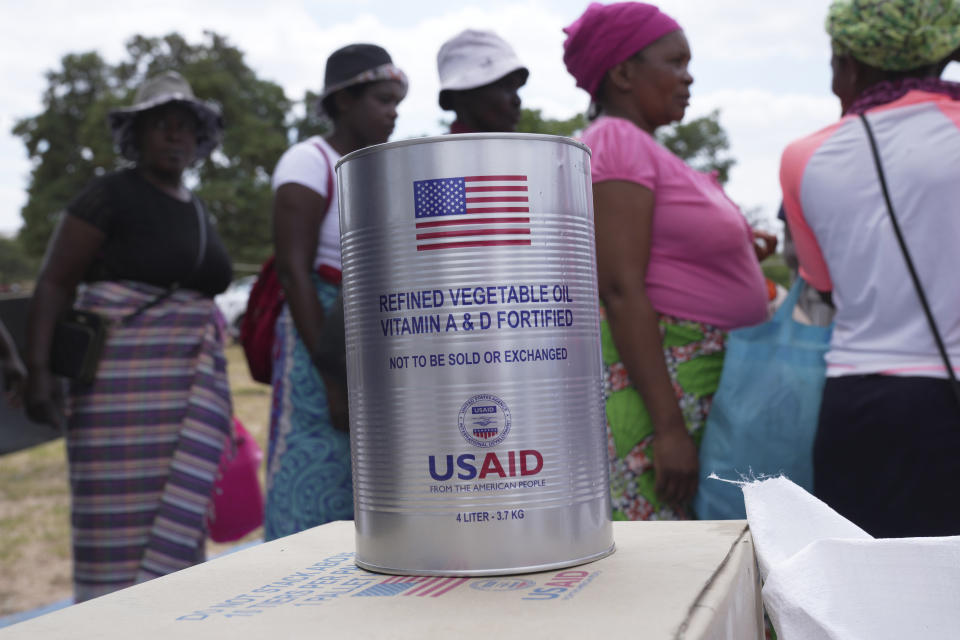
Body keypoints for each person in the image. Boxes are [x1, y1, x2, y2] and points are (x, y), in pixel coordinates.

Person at [24, 71, 234, 601]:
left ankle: (176, 617)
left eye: (185, 127)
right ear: (136, 135)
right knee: (111, 517)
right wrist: (40, 372)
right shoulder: (108, 195)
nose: (173, 136)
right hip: (116, 394)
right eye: (161, 125)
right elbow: (54, 281)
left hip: (186, 390)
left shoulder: (198, 208)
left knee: (181, 513)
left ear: (198, 139)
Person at [563, 2, 776, 521]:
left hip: (698, 383)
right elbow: (619, 288)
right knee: (673, 561)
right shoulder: (616, 141)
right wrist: (670, 430)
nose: (689, 76)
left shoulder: (644, 148)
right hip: (668, 387)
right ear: (623, 72)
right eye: (675, 62)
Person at [780, 0, 960, 537]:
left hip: (864, 408)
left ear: (850, 65)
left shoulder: (805, 156)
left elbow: (824, 284)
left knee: (869, 599)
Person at [266, 44, 407, 540]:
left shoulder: (384, 168)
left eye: (397, 103)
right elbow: (293, 269)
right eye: (383, 100)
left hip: (370, 327)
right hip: (319, 330)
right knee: (315, 453)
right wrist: (331, 376)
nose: (393, 113)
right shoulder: (309, 161)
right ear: (344, 100)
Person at [437, 29, 528, 133]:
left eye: (516, 89)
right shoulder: (436, 149)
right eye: (506, 86)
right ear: (462, 93)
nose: (517, 101)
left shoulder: (525, 148)